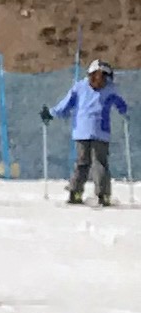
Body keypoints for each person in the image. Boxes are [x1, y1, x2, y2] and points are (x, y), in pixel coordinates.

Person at [45, 58, 127, 205]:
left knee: (82, 163)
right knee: (100, 163)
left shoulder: (80, 87)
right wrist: (125, 112)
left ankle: (75, 193)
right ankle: (103, 195)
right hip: (101, 131)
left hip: (81, 131)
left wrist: (51, 113)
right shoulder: (110, 89)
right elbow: (122, 105)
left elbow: (65, 105)